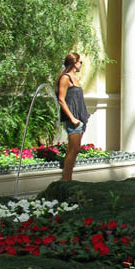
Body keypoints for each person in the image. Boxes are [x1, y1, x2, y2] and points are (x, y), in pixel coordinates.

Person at [56, 52, 89, 182]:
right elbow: (61, 100)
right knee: (73, 149)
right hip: (73, 119)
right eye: (80, 62)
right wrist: (72, 118)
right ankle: (66, 180)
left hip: (80, 117)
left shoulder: (74, 78)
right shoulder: (65, 78)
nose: (81, 65)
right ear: (75, 63)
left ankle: (67, 178)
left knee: (74, 149)